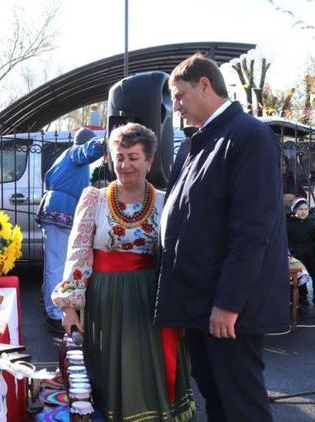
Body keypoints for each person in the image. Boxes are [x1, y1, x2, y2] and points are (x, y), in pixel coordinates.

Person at [156, 53, 289, 422]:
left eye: (180, 96)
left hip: (228, 308)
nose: (176, 107)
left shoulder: (248, 137)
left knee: (241, 404)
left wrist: (228, 303)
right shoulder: (198, 140)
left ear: (204, 85)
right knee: (216, 396)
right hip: (200, 301)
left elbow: (251, 231)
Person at [52, 123, 195, 421]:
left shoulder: (164, 201)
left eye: (133, 157)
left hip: (150, 301)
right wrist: (70, 307)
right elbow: (78, 251)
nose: (125, 164)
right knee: (113, 370)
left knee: (146, 369)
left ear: (149, 161)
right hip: (105, 299)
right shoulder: (94, 198)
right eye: (119, 157)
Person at [36, 127, 105, 333]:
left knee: (56, 261)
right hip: (61, 210)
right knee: (57, 263)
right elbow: (86, 151)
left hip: (55, 209)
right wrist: (105, 143)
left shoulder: (64, 159)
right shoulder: (75, 153)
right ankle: (55, 314)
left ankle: (48, 300)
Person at [286, 197, 315, 307]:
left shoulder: (311, 223)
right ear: (295, 210)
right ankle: (302, 296)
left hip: (311, 253)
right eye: (301, 209)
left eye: (306, 209)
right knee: (299, 270)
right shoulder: (288, 223)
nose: (304, 212)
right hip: (295, 254)